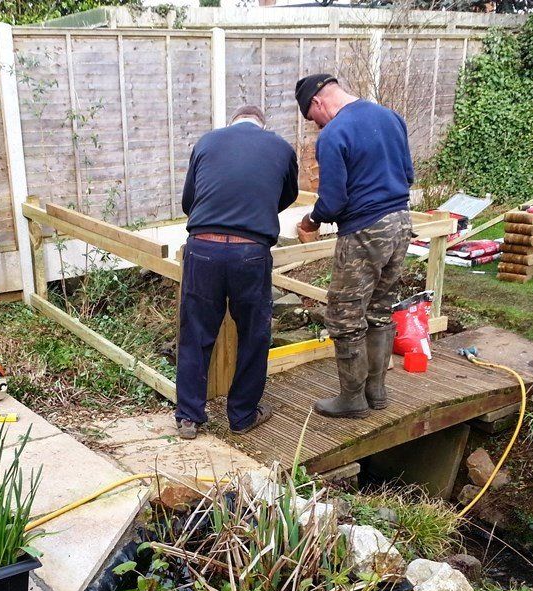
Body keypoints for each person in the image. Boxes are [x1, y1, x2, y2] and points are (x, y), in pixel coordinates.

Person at [293, 74, 415, 418]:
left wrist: (311, 221)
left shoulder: (334, 134)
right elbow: (407, 175)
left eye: (311, 118)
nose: (315, 125)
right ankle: (376, 391)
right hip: (401, 223)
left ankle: (352, 399)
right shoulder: (390, 117)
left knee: (344, 314)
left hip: (365, 229)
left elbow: (332, 201)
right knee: (379, 308)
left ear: (317, 102)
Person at [175, 105, 299, 440]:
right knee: (254, 335)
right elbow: (287, 195)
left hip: (203, 248)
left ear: (232, 123)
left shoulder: (205, 143)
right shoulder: (281, 148)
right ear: (261, 125)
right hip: (250, 252)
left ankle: (189, 417)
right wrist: (255, 207)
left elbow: (190, 201)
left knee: (196, 333)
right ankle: (242, 415)